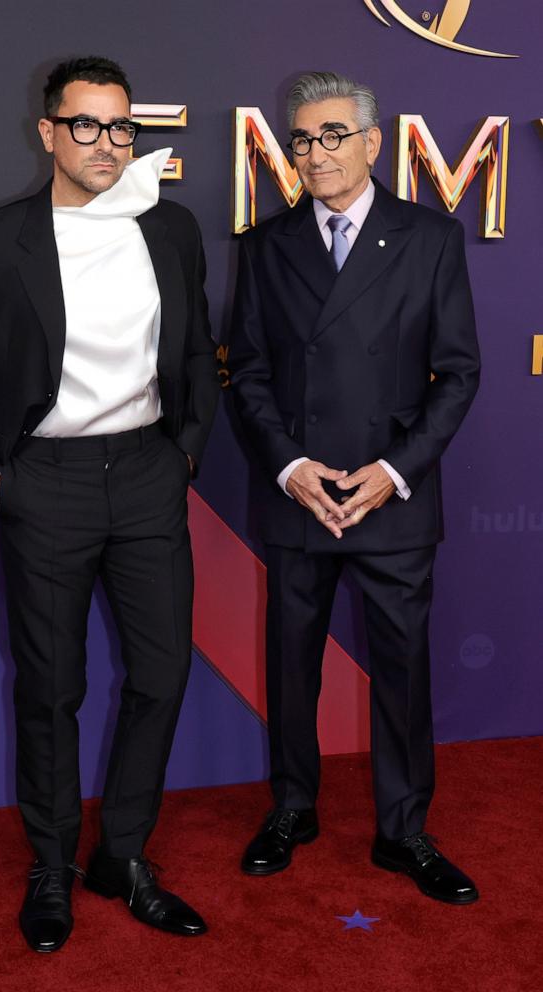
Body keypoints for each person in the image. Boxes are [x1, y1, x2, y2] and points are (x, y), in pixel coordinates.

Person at [0, 56, 219, 951]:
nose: (105, 142)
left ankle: (122, 857)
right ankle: (50, 864)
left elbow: (200, 351)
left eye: (120, 126)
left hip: (149, 475)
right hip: (42, 482)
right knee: (52, 691)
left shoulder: (172, 230)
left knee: (161, 676)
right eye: (85, 124)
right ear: (48, 131)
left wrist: (186, 453)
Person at [229, 71, 480, 904]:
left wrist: (397, 469)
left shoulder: (430, 237)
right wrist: (293, 468)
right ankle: (292, 808)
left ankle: (404, 829)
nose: (317, 152)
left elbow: (459, 373)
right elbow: (251, 374)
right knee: (291, 664)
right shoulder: (266, 246)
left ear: (374, 143)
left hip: (391, 495)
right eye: (302, 138)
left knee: (403, 672)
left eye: (335, 134)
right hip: (300, 494)